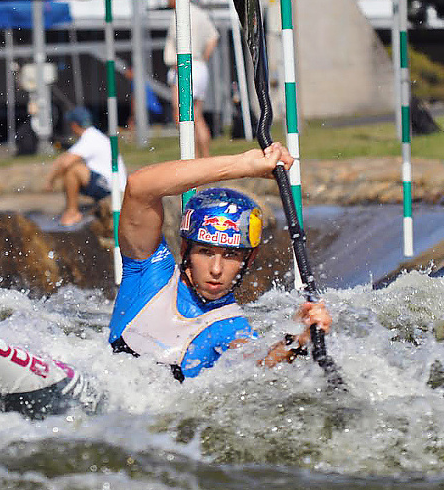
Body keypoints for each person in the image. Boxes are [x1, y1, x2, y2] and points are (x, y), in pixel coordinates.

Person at [109, 144, 333, 381]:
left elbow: (258, 363)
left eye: (231, 255)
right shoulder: (148, 272)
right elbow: (140, 187)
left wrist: (297, 339)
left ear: (249, 259)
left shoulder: (231, 327)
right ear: (185, 249)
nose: (216, 269)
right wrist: (244, 165)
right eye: (205, 252)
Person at [164, 0, 220, 158]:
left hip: (184, 68)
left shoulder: (178, 15)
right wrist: (203, 59)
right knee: (197, 116)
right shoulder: (200, 14)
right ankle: (205, 157)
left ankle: (193, 159)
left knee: (182, 117)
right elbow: (213, 38)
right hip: (200, 67)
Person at [46, 106, 127, 227]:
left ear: (74, 125)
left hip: (114, 189)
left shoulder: (90, 138)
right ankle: (74, 209)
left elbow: (65, 163)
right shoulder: (93, 136)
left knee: (73, 171)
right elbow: (64, 158)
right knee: (74, 168)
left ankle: (72, 212)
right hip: (110, 184)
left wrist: (50, 181)